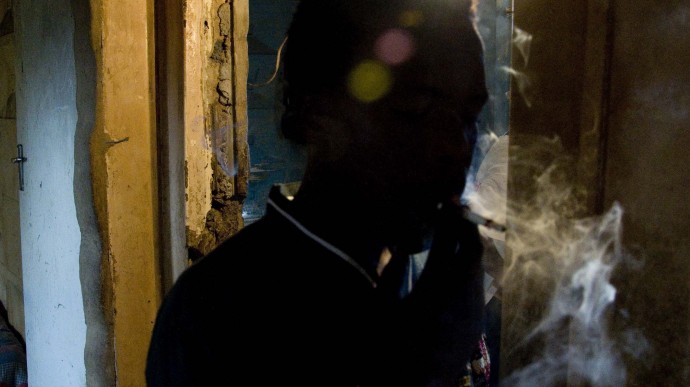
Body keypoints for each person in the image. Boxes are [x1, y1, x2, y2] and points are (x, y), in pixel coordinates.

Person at [146, 0, 489, 385]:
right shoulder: (218, 312)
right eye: (416, 105)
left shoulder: (409, 280)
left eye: (469, 116)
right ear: (316, 109)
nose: (457, 146)